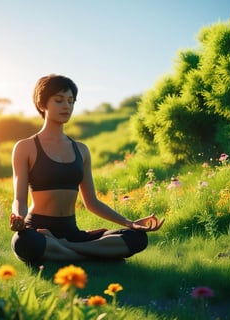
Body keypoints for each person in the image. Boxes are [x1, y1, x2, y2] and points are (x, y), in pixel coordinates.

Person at [11, 74, 164, 265]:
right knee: (24, 243)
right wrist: (19, 217)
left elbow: (91, 202)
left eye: (70, 101)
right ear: (42, 104)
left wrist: (129, 223)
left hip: (71, 233)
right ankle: (96, 257)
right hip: (39, 232)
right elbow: (19, 198)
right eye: (59, 100)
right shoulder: (25, 147)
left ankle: (66, 249)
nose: (66, 106)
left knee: (137, 238)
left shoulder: (81, 150)